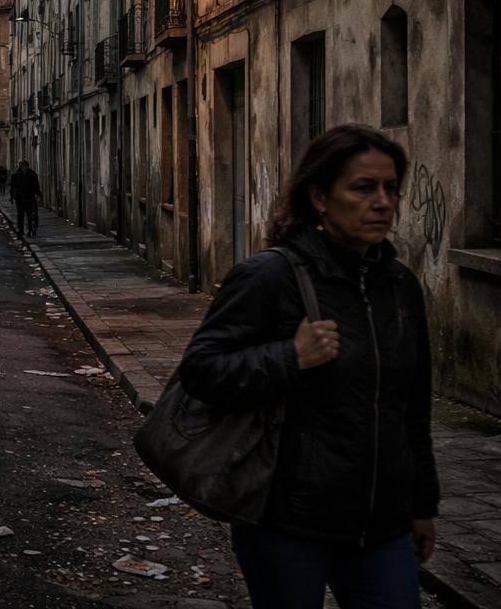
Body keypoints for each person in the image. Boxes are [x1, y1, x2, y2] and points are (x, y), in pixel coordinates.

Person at [176, 124, 438, 609]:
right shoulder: (271, 276)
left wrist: (422, 507)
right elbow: (201, 370)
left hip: (381, 526)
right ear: (319, 196)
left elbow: (412, 407)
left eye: (391, 189)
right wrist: (287, 357)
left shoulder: (399, 286)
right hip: (287, 522)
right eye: (363, 188)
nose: (382, 202)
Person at [8, 160, 41, 237]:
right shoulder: (15, 175)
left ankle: (30, 230)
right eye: (22, 166)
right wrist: (12, 197)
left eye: (24, 166)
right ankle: (21, 230)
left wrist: (38, 195)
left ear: (27, 166)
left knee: (30, 215)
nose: (23, 168)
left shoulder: (32, 174)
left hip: (30, 198)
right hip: (20, 198)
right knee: (20, 215)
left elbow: (36, 186)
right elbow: (12, 187)